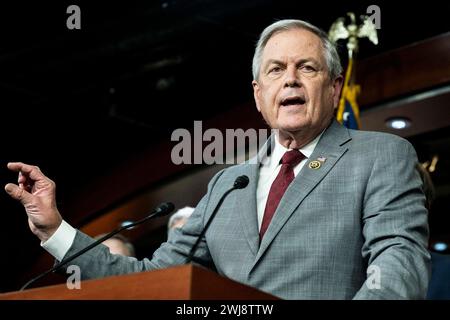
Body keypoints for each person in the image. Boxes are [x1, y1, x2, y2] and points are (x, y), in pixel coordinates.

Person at [5, 19, 430, 299]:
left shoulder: (380, 156)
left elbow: (398, 264)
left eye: (308, 68)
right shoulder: (230, 184)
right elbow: (151, 278)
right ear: (258, 95)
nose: (291, 80)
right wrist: (55, 229)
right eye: (276, 70)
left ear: (335, 88)